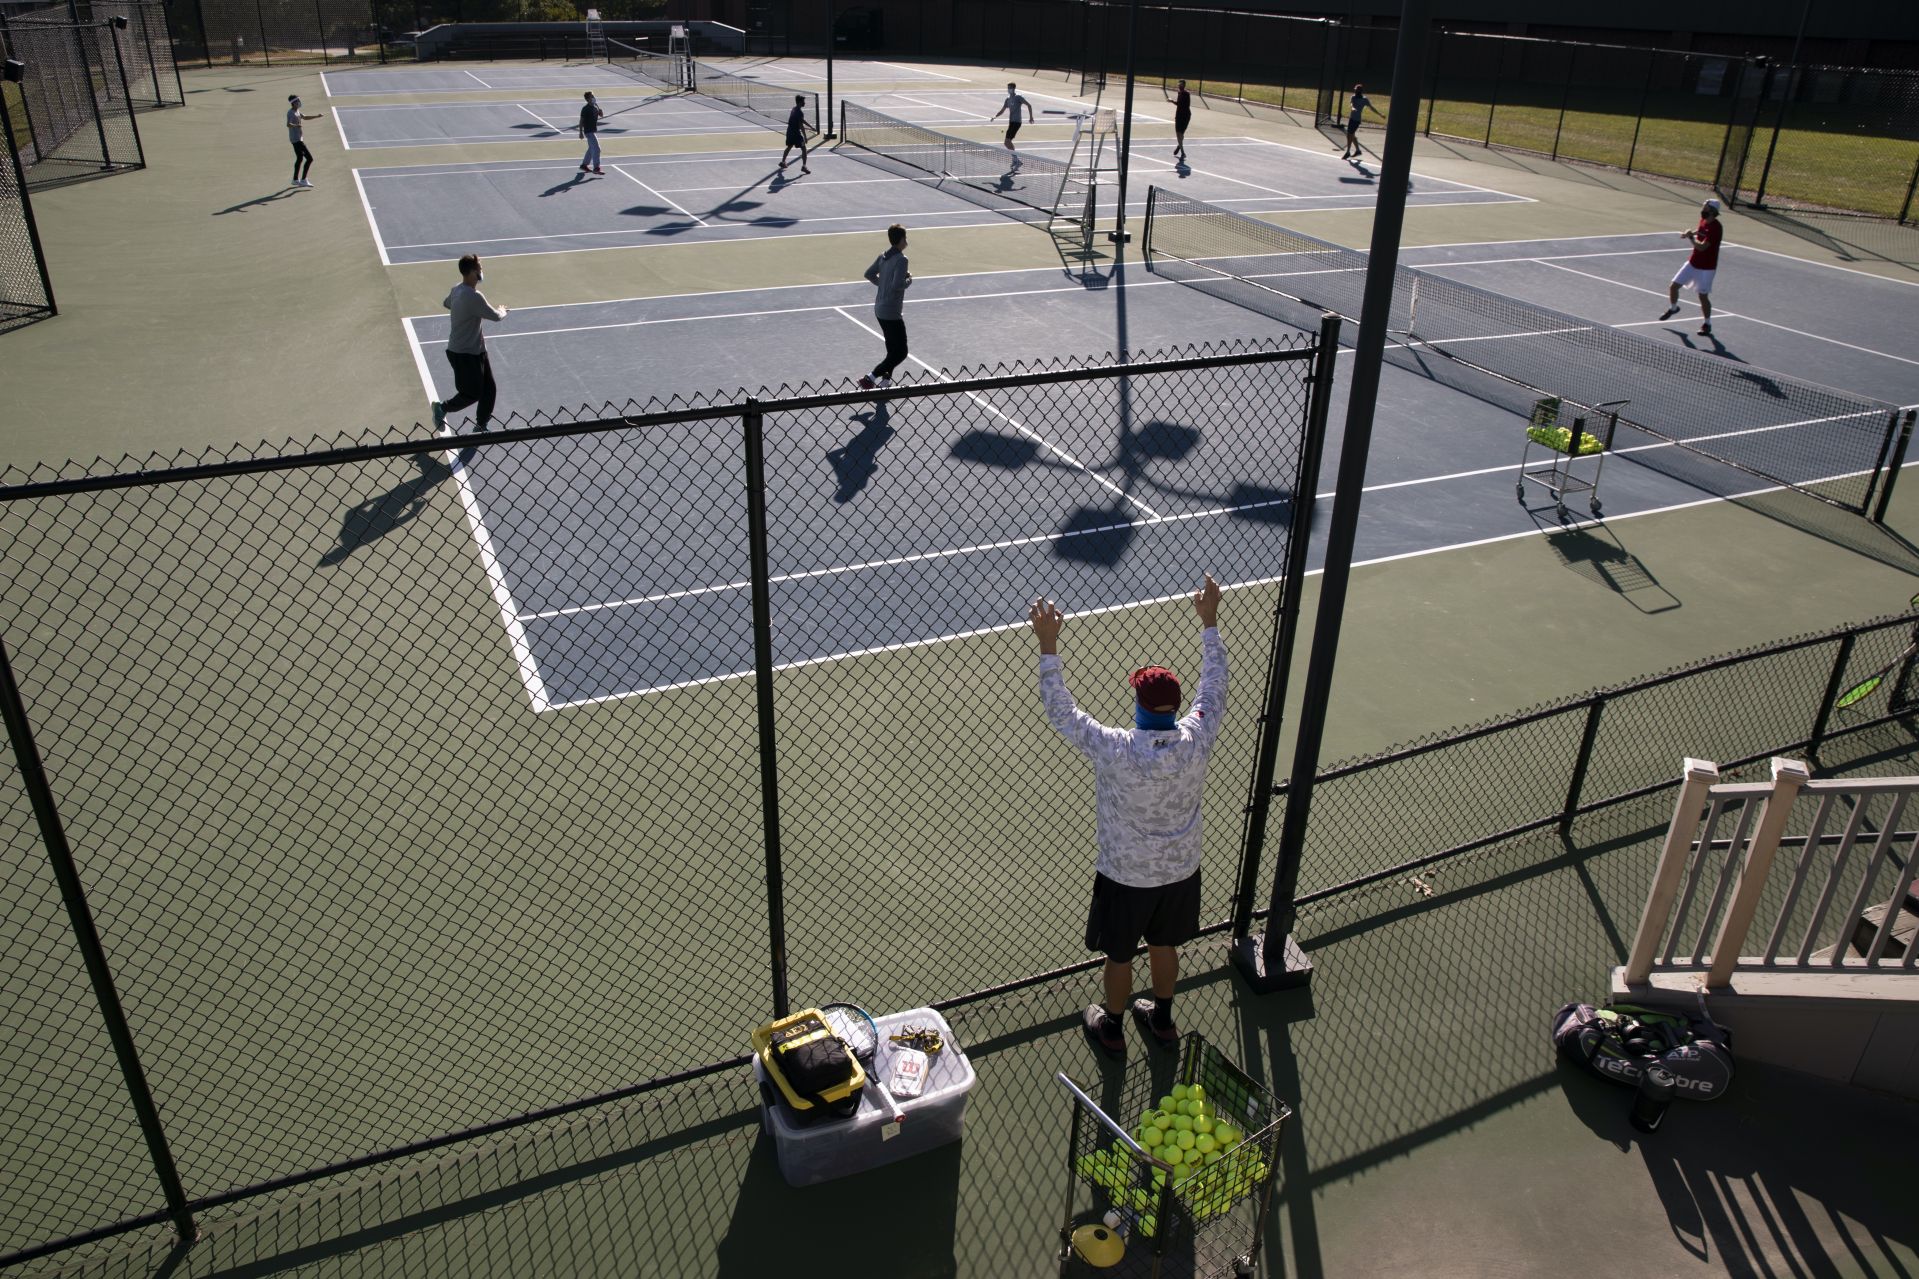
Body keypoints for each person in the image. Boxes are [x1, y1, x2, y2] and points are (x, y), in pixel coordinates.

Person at [1030, 573, 1228, 1059]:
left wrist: (1049, 646)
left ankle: (1112, 1027)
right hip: (1180, 872)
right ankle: (1162, 1020)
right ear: (1176, 707)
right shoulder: (1197, 736)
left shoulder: (1116, 748)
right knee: (1165, 946)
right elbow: (1215, 687)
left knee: (1120, 955)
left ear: (1138, 705)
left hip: (1125, 876)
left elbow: (1064, 713)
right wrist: (1210, 623)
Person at [431, 254, 509, 435]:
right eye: (480, 268)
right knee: (472, 393)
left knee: (489, 389)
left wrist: (463, 312)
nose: (482, 271)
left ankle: (481, 425)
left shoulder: (457, 289)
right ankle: (442, 408)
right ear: (473, 272)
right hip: (463, 353)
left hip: (477, 350)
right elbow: (496, 317)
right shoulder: (473, 296)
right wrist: (503, 310)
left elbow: (446, 303)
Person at [856, 224, 911, 391]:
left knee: (892, 350)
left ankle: (886, 381)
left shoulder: (883, 256)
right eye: (905, 238)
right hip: (891, 311)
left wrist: (883, 284)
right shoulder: (902, 259)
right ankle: (870, 377)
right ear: (901, 240)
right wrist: (909, 280)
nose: (906, 241)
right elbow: (897, 285)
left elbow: (869, 274)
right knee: (901, 352)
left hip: (879, 309)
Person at [1659, 197, 1723, 337]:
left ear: (1712, 210)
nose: (1702, 210)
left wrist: (1691, 238)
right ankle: (1673, 308)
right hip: (1693, 263)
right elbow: (1700, 230)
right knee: (1673, 286)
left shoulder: (1716, 228)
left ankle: (1707, 324)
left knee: (1702, 296)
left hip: (1707, 268)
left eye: (1705, 208)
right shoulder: (1704, 221)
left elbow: (1701, 247)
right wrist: (1690, 233)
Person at [286, 95, 323, 188]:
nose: (300, 102)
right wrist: (296, 126)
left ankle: (295, 180)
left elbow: (305, 117)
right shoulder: (291, 113)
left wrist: (317, 116)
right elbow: (288, 124)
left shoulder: (297, 111)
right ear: (294, 103)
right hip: (297, 140)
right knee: (310, 159)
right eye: (298, 101)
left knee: (299, 158)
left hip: (298, 138)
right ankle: (303, 180)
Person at [992, 82, 1034, 161]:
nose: (1009, 89)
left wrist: (1031, 117)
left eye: (1010, 88)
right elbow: (1002, 110)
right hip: (1011, 122)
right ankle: (1015, 158)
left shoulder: (1018, 97)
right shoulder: (1007, 99)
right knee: (1006, 142)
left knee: (1007, 141)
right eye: (1008, 88)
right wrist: (995, 116)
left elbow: (1029, 105)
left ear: (1014, 89)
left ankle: (1015, 159)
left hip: (1017, 122)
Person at [1342, 83, 1379, 160]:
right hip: (1351, 119)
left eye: (1356, 90)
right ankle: (1358, 151)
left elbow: (1371, 108)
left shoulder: (1364, 99)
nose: (1355, 91)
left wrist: (1380, 114)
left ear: (1360, 91)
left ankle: (1348, 152)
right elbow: (1351, 104)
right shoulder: (1353, 97)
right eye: (1355, 90)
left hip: (1356, 120)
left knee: (1350, 135)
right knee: (1351, 135)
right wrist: (1352, 108)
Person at [779, 94, 812, 174]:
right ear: (800, 102)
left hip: (789, 132)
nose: (804, 103)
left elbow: (801, 120)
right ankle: (804, 166)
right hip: (796, 134)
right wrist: (805, 137)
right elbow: (801, 126)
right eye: (803, 101)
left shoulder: (794, 109)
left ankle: (783, 162)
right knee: (804, 149)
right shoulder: (800, 112)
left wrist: (810, 126)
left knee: (789, 146)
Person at [578, 90, 604, 175]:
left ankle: (584, 165)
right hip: (588, 132)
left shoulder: (595, 107)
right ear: (588, 99)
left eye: (593, 96)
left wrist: (600, 112)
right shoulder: (585, 109)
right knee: (597, 148)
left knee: (591, 149)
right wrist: (581, 132)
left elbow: (601, 115)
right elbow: (581, 121)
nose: (594, 98)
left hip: (592, 130)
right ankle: (596, 167)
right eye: (592, 96)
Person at [1173, 79, 1192, 161]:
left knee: (1180, 134)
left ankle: (1181, 150)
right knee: (1179, 134)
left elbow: (1180, 104)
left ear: (1183, 85)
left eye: (1180, 84)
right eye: (1178, 84)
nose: (1179, 85)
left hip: (1185, 116)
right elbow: (1179, 104)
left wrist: (1172, 101)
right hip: (1179, 116)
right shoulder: (1179, 93)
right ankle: (1180, 148)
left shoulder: (1186, 94)